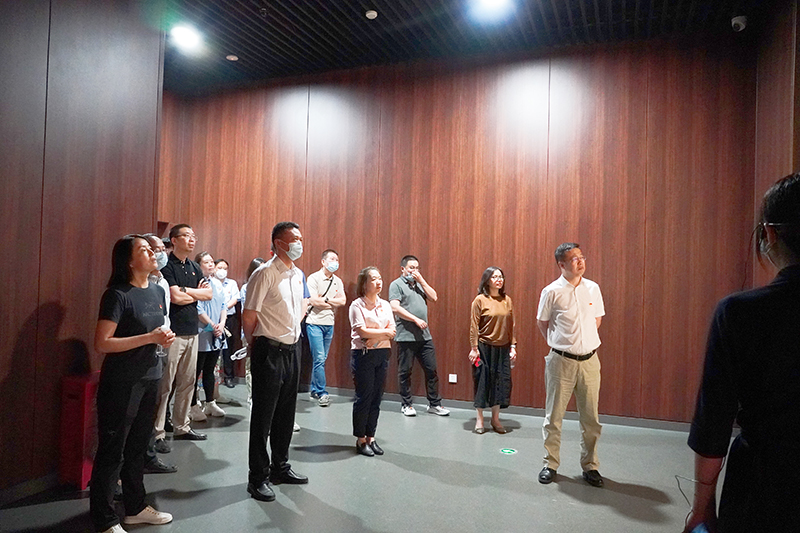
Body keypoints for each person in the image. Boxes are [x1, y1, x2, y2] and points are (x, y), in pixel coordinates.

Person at [683, 173, 800, 533]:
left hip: (764, 485)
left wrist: (702, 506)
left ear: (769, 234)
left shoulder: (740, 313)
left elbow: (714, 423)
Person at [90, 235, 174, 533]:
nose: (153, 253)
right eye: (144, 249)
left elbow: (157, 330)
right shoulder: (117, 295)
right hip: (122, 381)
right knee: (113, 450)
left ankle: (135, 508)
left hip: (151, 376)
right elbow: (103, 342)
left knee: (138, 447)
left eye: (152, 249)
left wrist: (162, 338)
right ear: (129, 261)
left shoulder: (156, 290)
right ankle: (104, 519)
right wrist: (149, 338)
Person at [242, 222, 308, 502]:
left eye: (301, 238)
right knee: (263, 416)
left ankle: (280, 466)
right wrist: (253, 343)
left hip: (293, 349)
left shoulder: (297, 274)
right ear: (279, 243)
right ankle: (257, 477)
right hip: (268, 349)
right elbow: (249, 314)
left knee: (286, 413)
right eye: (294, 239)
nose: (299, 244)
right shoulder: (265, 273)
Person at [536, 243, 605, 488]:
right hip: (561, 362)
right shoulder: (551, 291)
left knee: (591, 419)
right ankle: (550, 464)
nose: (580, 261)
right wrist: (560, 343)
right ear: (561, 264)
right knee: (554, 417)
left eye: (581, 257)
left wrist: (582, 343)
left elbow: (597, 320)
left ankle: (590, 466)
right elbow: (542, 323)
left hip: (590, 362)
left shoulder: (593, 288)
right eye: (574, 259)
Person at [153, 224, 212, 453]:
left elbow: (208, 294)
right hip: (173, 333)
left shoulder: (195, 266)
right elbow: (175, 297)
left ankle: (182, 426)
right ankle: (158, 432)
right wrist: (192, 293)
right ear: (174, 240)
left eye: (193, 236)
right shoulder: (166, 265)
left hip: (192, 331)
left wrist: (186, 292)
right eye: (186, 236)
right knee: (166, 384)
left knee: (188, 382)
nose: (191, 239)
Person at [389, 255, 449, 417]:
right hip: (405, 336)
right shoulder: (396, 285)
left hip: (424, 337)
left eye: (417, 268)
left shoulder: (419, 285)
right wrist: (415, 319)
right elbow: (394, 307)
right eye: (411, 268)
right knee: (405, 372)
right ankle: (406, 404)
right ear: (403, 269)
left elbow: (434, 297)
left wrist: (421, 280)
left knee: (431, 370)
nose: (414, 271)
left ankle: (434, 404)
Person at [349, 267, 396, 456]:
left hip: (382, 353)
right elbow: (362, 331)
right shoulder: (357, 305)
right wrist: (383, 333)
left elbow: (392, 331)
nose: (379, 282)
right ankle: (360, 439)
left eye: (380, 278)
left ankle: (371, 437)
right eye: (374, 279)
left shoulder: (385, 305)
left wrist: (375, 337)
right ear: (364, 283)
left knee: (377, 397)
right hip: (363, 354)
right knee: (364, 397)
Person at [468, 267, 516, 434]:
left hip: (502, 348)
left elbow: (511, 325)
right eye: (494, 277)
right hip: (483, 347)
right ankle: (480, 419)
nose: (498, 280)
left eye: (501, 277)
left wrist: (513, 346)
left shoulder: (507, 300)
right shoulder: (480, 300)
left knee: (500, 383)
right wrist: (474, 348)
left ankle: (495, 419)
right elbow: (474, 326)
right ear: (487, 280)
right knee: (482, 382)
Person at [306, 249, 346, 407]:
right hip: (314, 323)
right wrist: (331, 301)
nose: (335, 262)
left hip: (330, 323)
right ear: (323, 261)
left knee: (321, 359)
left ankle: (314, 389)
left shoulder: (338, 281)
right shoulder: (313, 278)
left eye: (337, 259)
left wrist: (326, 300)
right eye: (332, 259)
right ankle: (322, 392)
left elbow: (343, 301)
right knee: (319, 358)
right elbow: (313, 301)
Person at [190, 251, 227, 421]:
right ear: (198, 265)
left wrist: (221, 324)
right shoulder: (196, 284)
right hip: (202, 333)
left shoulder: (217, 283)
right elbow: (198, 308)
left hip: (217, 333)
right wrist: (211, 325)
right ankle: (192, 405)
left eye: (212, 261)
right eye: (206, 262)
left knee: (210, 369)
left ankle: (210, 402)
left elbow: (223, 305)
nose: (211, 264)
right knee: (196, 370)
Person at [215, 259, 240, 388]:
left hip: (229, 319)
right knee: (213, 348)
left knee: (228, 349)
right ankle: (213, 378)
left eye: (225, 268)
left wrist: (223, 310)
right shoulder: (209, 283)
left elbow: (235, 299)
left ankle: (228, 377)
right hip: (213, 318)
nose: (222, 271)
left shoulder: (232, 283)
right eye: (219, 268)